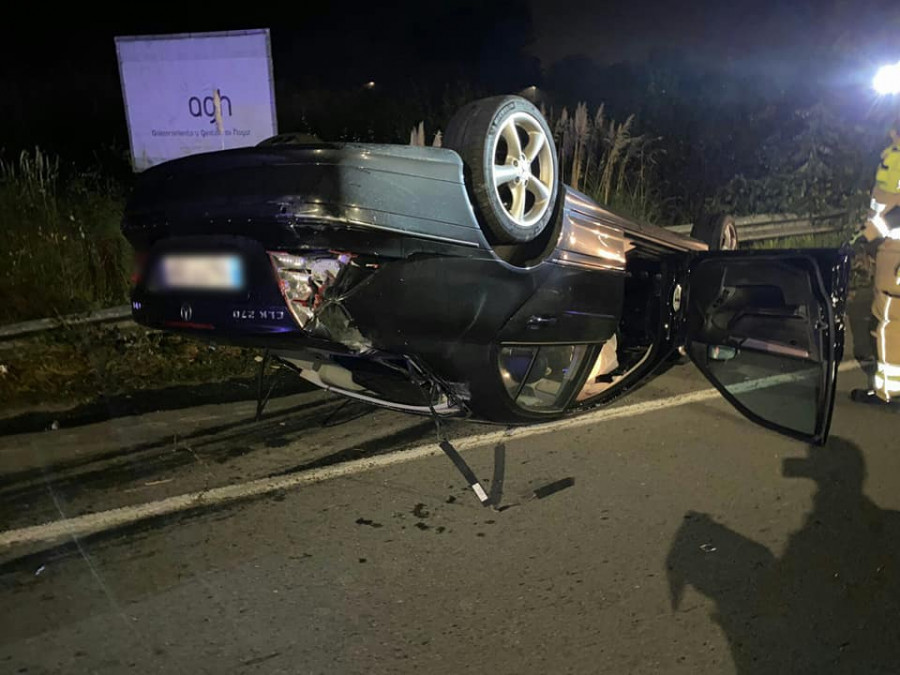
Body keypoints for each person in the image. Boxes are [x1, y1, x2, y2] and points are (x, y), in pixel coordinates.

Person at [852, 125, 900, 405]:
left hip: (895, 256)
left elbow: (892, 215)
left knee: (889, 322)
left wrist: (865, 235)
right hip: (889, 253)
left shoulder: (895, 162)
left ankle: (888, 391)